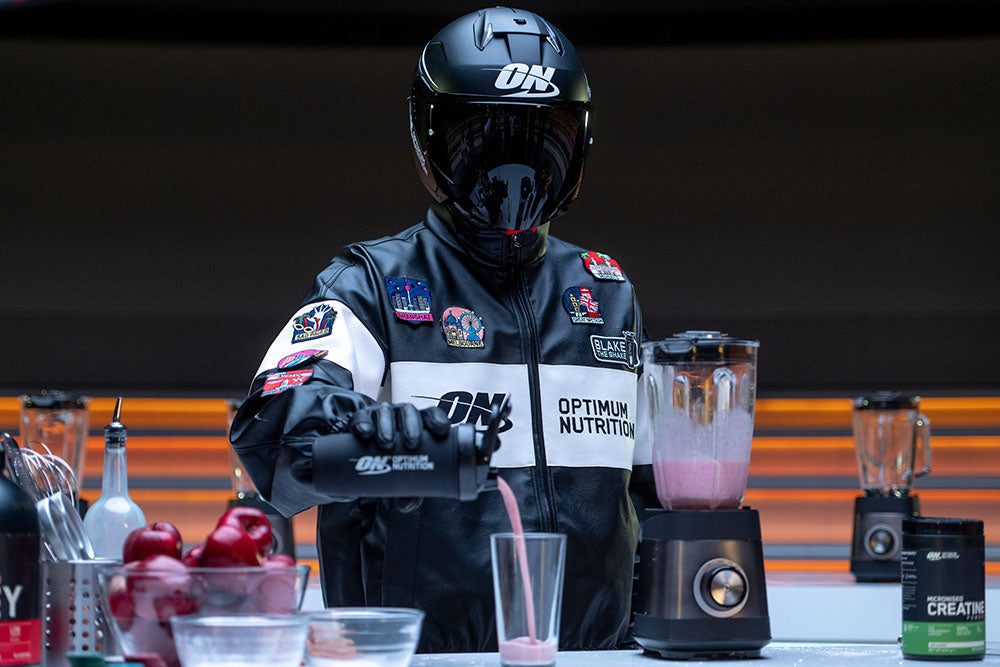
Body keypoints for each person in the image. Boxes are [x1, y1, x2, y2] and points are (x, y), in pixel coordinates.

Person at [229, 6, 653, 653]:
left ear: (581, 147)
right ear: (429, 143)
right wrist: (356, 425)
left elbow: (656, 500)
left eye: (543, 136)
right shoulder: (370, 284)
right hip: (413, 657)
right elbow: (271, 436)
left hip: (593, 657)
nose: (510, 166)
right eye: (480, 135)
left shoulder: (606, 292)